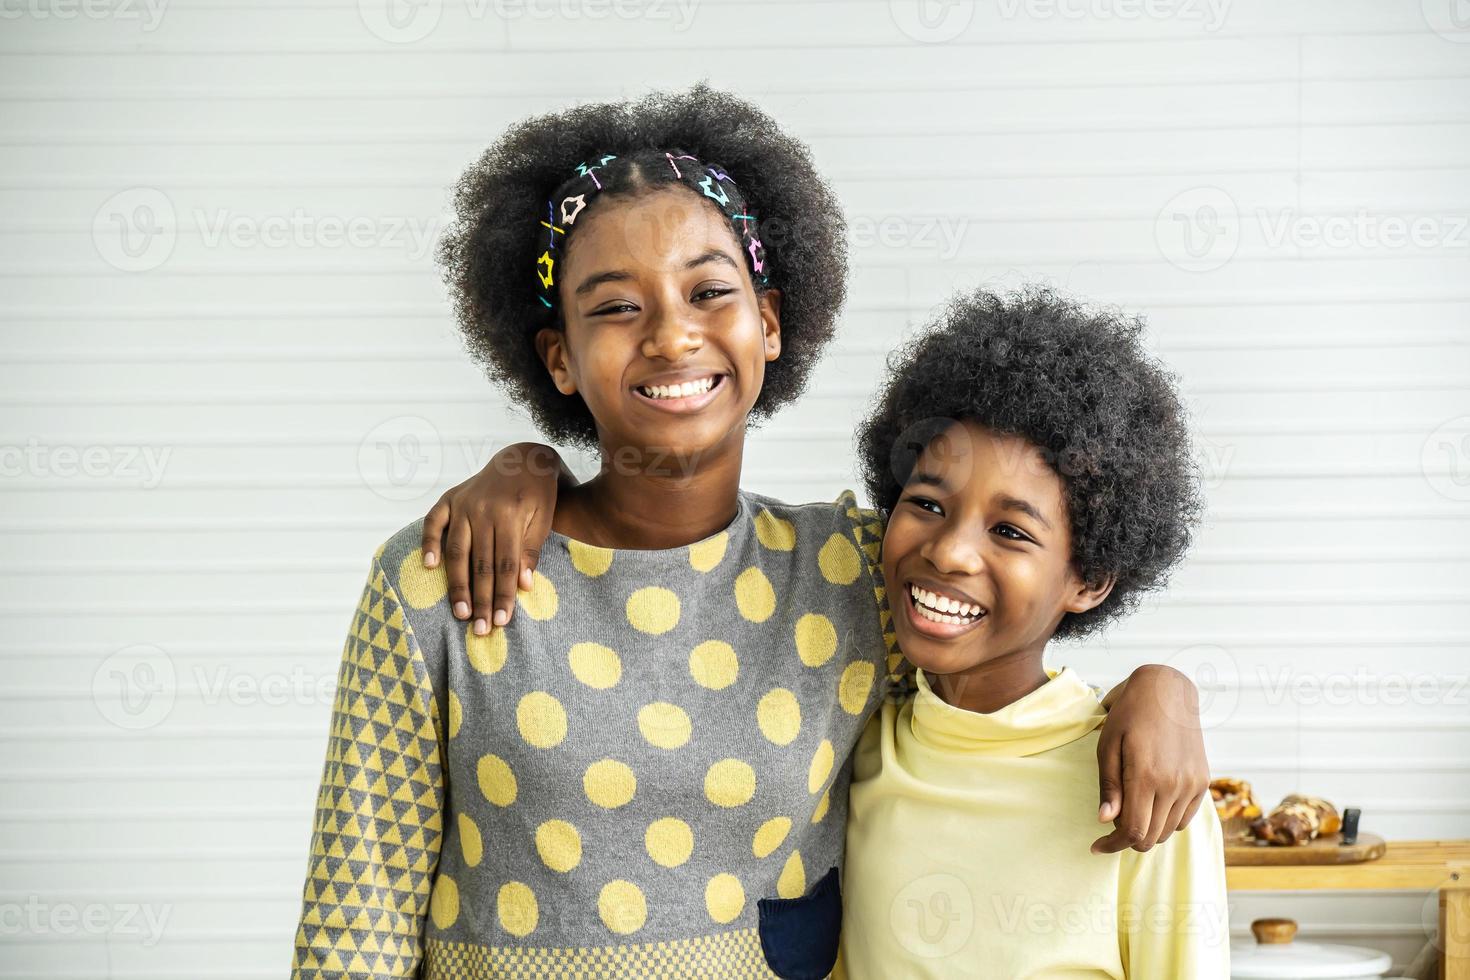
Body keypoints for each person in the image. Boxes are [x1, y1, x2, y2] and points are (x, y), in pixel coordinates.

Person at [291, 85, 1210, 980]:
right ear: (559, 356)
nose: (672, 336)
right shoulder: (444, 580)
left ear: (767, 323)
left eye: (710, 292)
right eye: (616, 306)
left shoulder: (851, 575)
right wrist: (525, 463)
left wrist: (1159, 687)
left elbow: (1006, 657)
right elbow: (352, 934)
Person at [836, 286, 1228, 978]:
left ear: (1090, 580)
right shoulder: (856, 744)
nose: (951, 552)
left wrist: (1168, 686)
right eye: (926, 503)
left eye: (1012, 531)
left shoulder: (1146, 790)